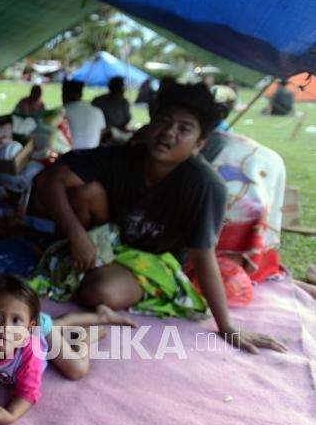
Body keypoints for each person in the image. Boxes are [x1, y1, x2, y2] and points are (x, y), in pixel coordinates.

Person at [31, 83, 287, 355]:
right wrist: (76, 235)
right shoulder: (123, 155)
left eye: (184, 129)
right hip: (109, 239)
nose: (169, 133)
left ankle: (87, 273)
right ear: (151, 124)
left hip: (154, 260)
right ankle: (84, 263)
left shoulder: (205, 186)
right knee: (86, 192)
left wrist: (226, 326)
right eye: (164, 121)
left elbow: (203, 257)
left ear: (199, 144)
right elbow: (49, 180)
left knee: (100, 293)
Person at [0, 275, 137, 425]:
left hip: (40, 332)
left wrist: (10, 415)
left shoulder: (30, 352)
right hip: (35, 325)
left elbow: (28, 391)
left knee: (77, 369)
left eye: (15, 320)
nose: (6, 328)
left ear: (29, 326)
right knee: (54, 325)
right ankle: (67, 321)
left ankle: (85, 336)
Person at [61, 79, 106, 149]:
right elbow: (101, 136)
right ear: (81, 94)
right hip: (92, 156)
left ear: (64, 93)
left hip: (69, 157)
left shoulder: (60, 112)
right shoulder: (97, 111)